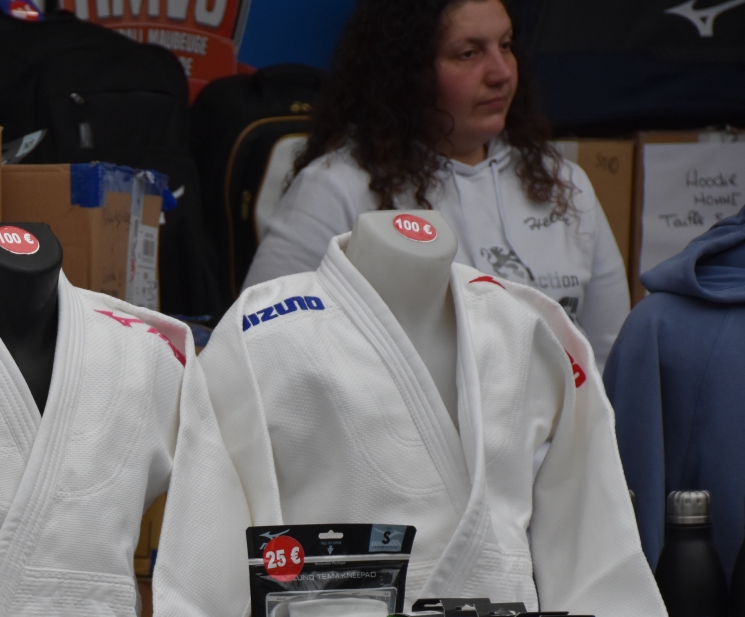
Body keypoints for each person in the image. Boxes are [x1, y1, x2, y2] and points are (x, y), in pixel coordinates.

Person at [245, 0, 629, 367]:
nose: (501, 73)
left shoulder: (563, 182)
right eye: (469, 53)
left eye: (505, 45)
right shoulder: (337, 188)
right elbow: (261, 348)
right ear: (406, 73)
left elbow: (607, 358)